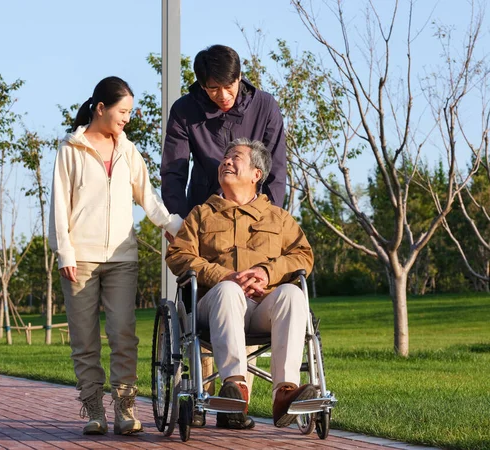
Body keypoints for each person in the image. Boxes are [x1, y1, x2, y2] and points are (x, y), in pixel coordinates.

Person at [49, 76, 182, 436]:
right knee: (84, 338)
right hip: (80, 257)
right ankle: (93, 409)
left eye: (131, 112)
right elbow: (59, 206)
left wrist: (173, 225)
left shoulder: (128, 150)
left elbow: (148, 197)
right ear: (101, 108)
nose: (127, 117)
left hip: (123, 257)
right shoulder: (71, 150)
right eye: (123, 111)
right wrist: (64, 251)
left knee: (123, 334)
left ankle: (125, 408)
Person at [166, 138, 316, 430]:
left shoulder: (278, 218)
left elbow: (303, 256)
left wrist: (266, 271)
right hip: (215, 305)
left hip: (264, 306)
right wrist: (221, 275)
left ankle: (285, 393)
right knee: (228, 290)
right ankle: (235, 389)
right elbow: (179, 254)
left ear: (256, 174)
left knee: (292, 294)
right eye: (225, 158)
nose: (226, 162)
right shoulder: (201, 215)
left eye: (235, 158)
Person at [161, 44, 287, 219]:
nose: (223, 95)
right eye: (213, 89)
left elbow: (276, 168)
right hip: (204, 213)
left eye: (229, 86)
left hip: (254, 213)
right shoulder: (184, 110)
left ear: (239, 77)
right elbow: (173, 171)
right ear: (202, 85)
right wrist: (177, 221)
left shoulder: (265, 106)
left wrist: (271, 218)